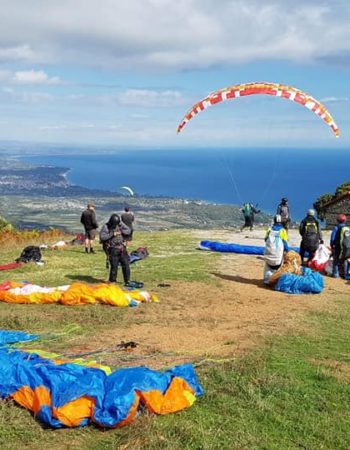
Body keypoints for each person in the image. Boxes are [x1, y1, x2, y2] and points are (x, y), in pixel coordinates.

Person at [99, 214, 131, 285]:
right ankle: (112, 281)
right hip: (113, 249)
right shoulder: (106, 226)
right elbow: (102, 237)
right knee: (114, 266)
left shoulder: (120, 224)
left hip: (122, 248)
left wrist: (122, 231)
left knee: (126, 264)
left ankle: (127, 281)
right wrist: (112, 234)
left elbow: (128, 230)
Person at [263, 214, 289, 284]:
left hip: (269, 253)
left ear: (274, 221)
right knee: (278, 266)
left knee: (268, 266)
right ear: (281, 221)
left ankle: (266, 280)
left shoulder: (269, 229)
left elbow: (265, 239)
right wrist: (287, 251)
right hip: (278, 256)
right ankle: (276, 280)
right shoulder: (283, 231)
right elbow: (285, 243)